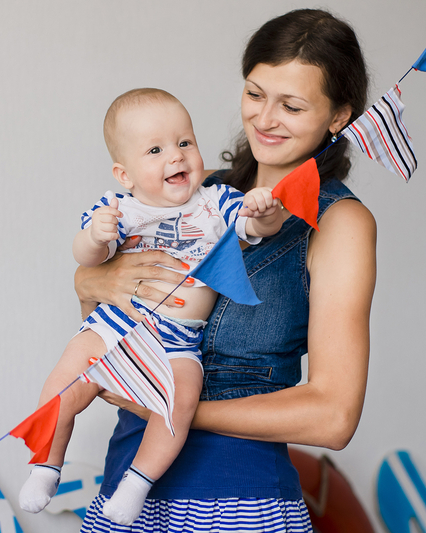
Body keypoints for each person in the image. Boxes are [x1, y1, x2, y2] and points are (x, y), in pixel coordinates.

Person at [74, 8, 377, 533]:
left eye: (292, 106)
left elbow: (333, 417)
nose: (265, 119)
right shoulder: (195, 189)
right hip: (124, 490)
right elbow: (102, 321)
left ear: (338, 116)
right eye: (255, 94)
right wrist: (90, 280)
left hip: (237, 503)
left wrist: (171, 409)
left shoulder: (339, 223)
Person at [18, 88, 285, 525]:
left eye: (185, 142)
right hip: (114, 325)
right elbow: (86, 257)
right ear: (124, 174)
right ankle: (45, 465)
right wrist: (95, 236)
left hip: (180, 340)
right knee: (64, 383)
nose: (176, 156)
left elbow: (260, 227)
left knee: (179, 403)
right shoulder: (119, 209)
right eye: (155, 150)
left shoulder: (217, 202)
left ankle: (136, 484)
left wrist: (263, 208)